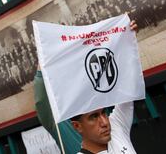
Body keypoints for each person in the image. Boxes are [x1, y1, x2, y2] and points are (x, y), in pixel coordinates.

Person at [34, 20, 138, 154]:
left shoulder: (117, 127)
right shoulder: (61, 123)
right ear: (77, 126)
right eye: (93, 117)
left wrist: (128, 41)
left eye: (103, 113)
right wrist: (46, 52)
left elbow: (128, 86)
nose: (104, 122)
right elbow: (42, 101)